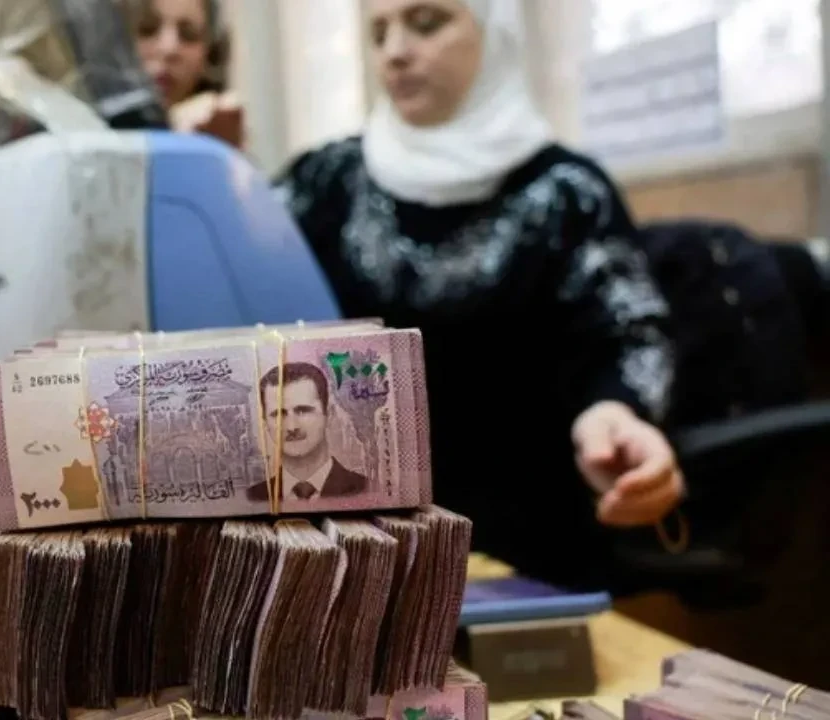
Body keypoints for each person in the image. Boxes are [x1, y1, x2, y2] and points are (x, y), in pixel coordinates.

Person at [273, 0, 683, 590]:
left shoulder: (566, 192)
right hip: (352, 558)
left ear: (495, 32)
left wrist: (614, 413)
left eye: (427, 22)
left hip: (528, 555)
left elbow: (628, 334)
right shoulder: (326, 182)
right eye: (379, 32)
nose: (395, 52)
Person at [246, 362, 369, 502]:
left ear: (329, 414)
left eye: (303, 411)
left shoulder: (366, 489)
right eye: (279, 414)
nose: (292, 427)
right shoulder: (253, 498)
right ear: (265, 424)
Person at [132, 0, 243, 146]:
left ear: (211, 55)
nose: (168, 48)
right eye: (148, 29)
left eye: (188, 34)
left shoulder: (220, 136)